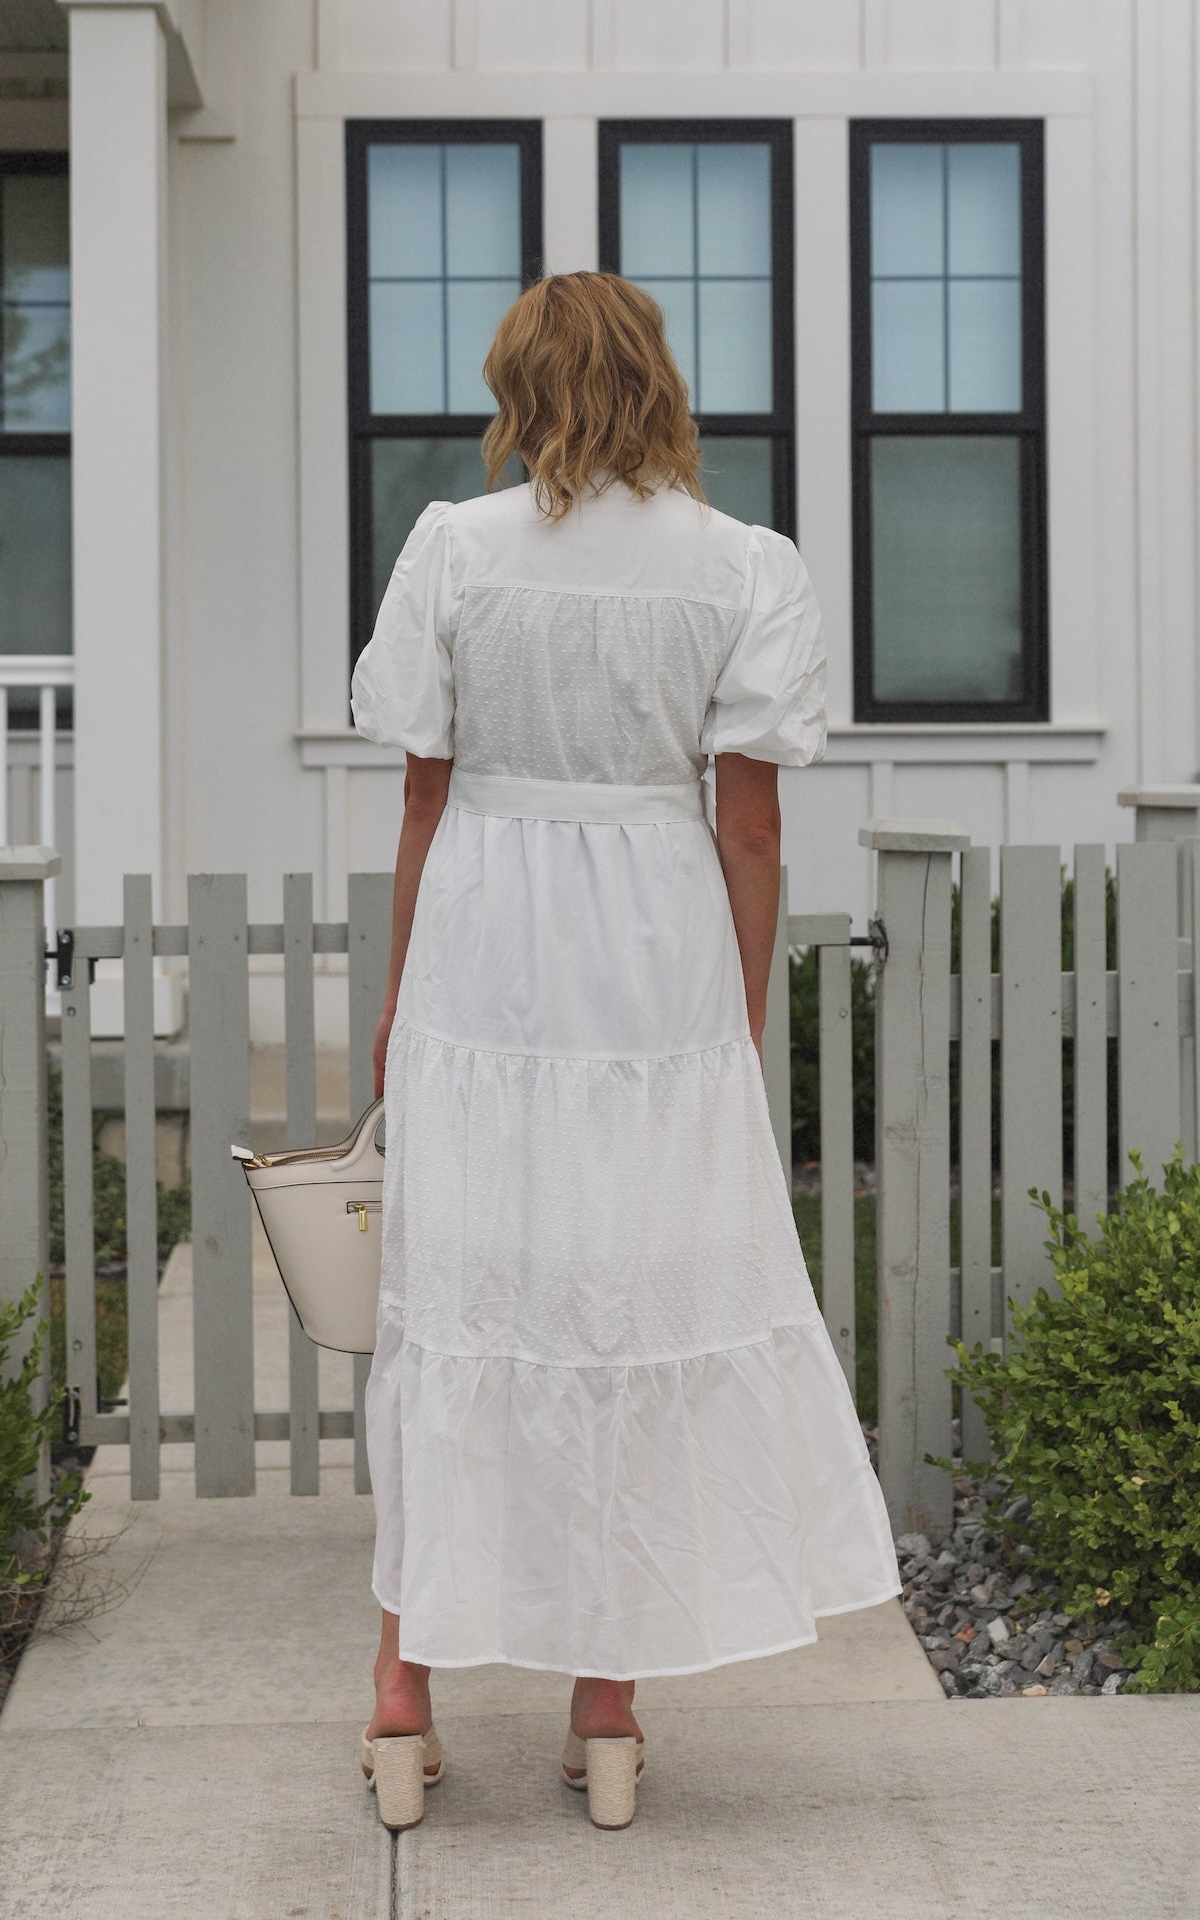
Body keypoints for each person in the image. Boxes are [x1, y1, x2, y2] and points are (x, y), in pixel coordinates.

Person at [349, 269, 902, 1833]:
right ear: (658, 380)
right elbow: (748, 821)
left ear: (518, 384)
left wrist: (400, 1000)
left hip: (483, 954)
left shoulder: (454, 549)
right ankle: (606, 1717)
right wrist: (731, 1017)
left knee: (458, 1308)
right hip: (657, 960)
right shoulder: (744, 567)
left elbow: (421, 800)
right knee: (630, 1306)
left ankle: (403, 1702)